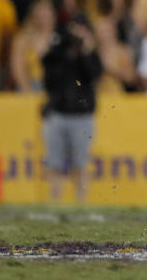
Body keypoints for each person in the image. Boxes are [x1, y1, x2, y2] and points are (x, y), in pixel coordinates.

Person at [41, 13, 103, 203]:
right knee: (54, 165)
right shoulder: (58, 52)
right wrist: (63, 49)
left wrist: (84, 51)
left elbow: (94, 74)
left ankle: (81, 203)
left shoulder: (90, 53)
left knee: (81, 165)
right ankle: (54, 202)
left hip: (81, 116)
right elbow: (48, 75)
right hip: (57, 114)